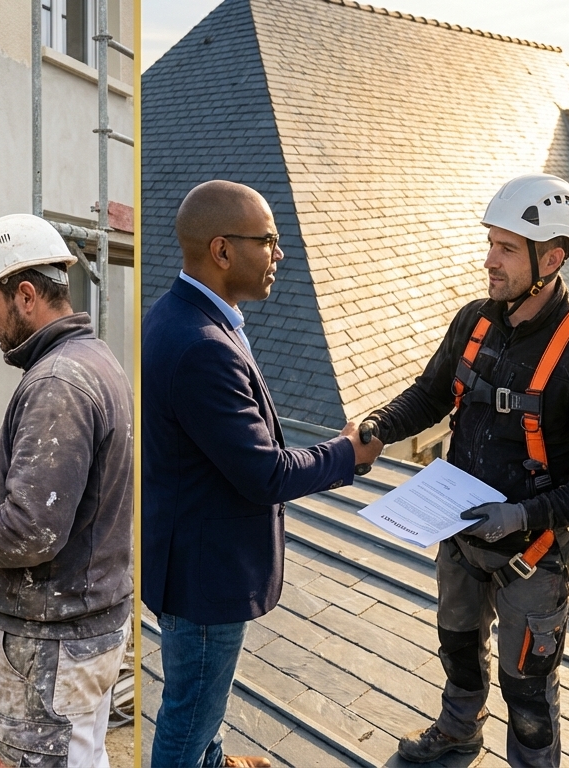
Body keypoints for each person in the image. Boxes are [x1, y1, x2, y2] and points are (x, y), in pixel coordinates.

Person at [142, 179, 384, 768]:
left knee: (203, 693)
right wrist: (347, 453)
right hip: (206, 574)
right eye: (268, 241)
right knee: (188, 715)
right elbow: (265, 473)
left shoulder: (177, 314)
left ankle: (214, 760)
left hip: (188, 551)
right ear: (222, 251)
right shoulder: (203, 345)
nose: (280, 254)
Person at [359, 173, 569, 766]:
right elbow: (430, 394)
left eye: (507, 248)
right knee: (458, 649)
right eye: (491, 243)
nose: (489, 260)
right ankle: (460, 731)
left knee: (529, 694)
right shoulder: (474, 322)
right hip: (459, 538)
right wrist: (379, 426)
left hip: (531, 555)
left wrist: (520, 515)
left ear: (552, 258)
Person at [0, 213, 133, 768]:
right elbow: (71, 495)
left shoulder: (56, 383)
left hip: (53, 640)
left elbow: (28, 532)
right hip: (85, 627)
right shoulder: (93, 359)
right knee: (84, 756)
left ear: (27, 295)